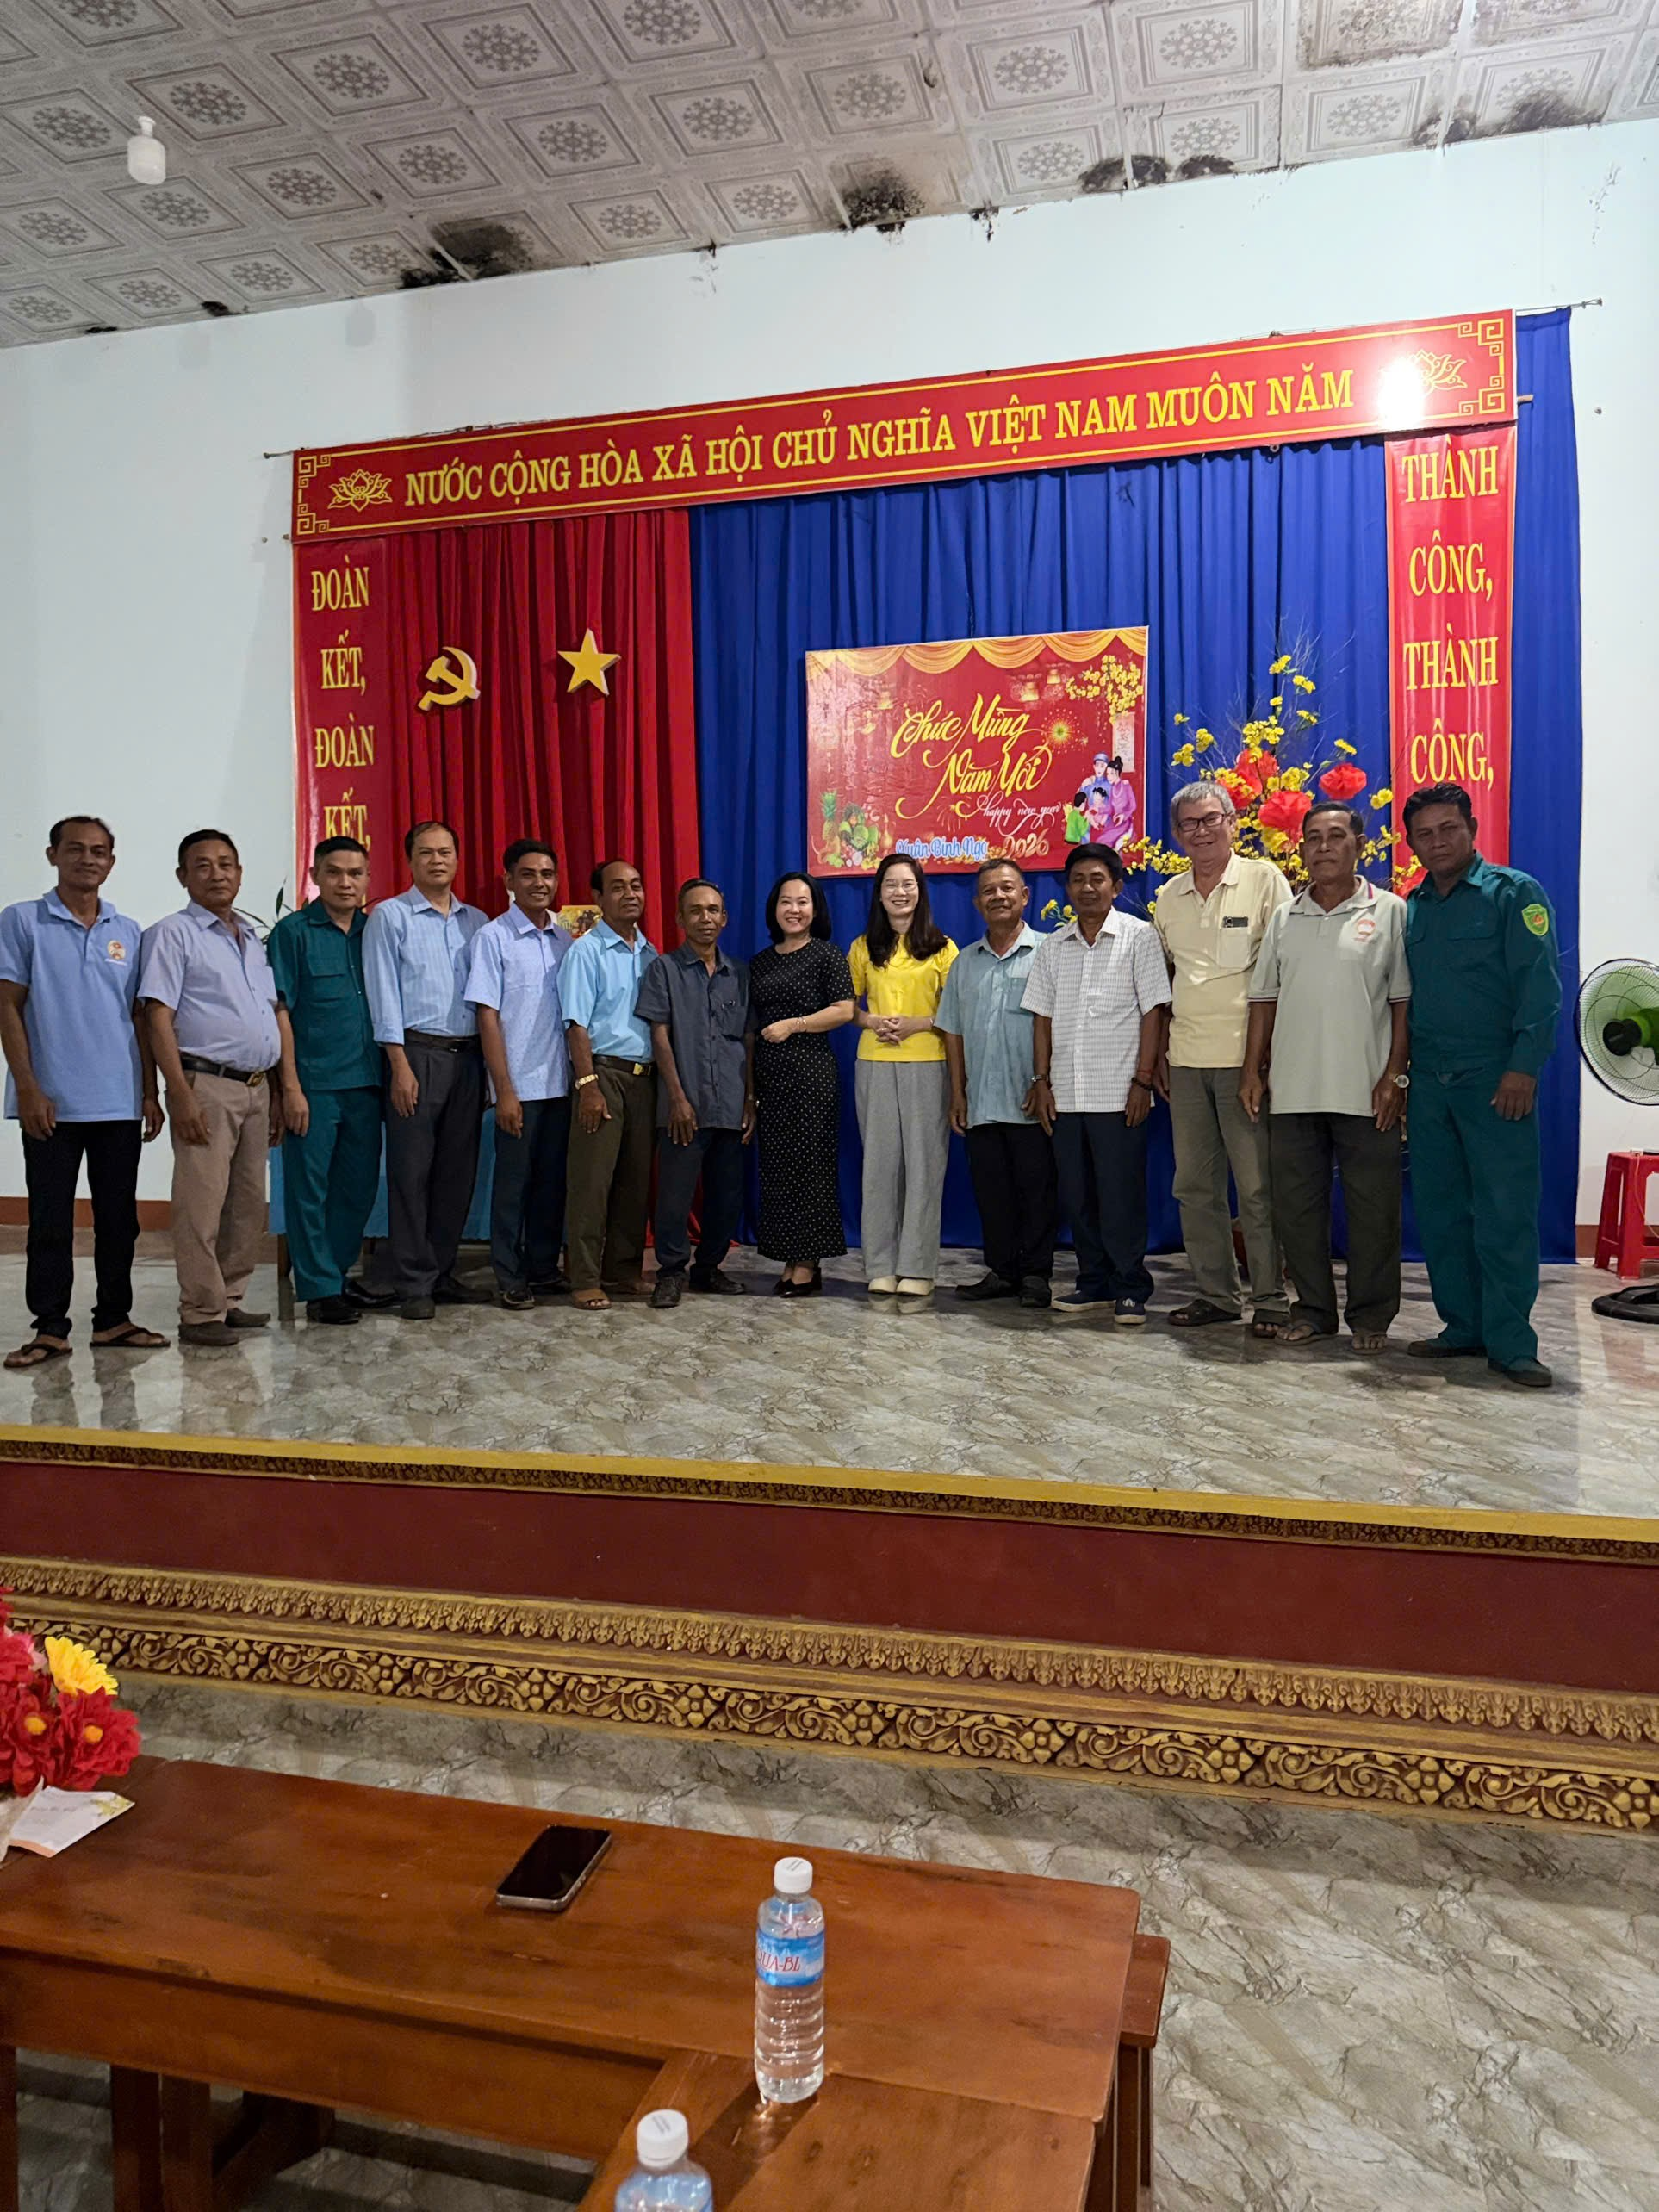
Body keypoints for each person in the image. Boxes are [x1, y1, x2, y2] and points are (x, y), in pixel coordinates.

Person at [1401, 782, 1561, 1389]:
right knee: (1441, 1211)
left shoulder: (1513, 894)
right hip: (1429, 1082)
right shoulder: (1414, 906)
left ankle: (1512, 1344)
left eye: (1448, 829)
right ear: (1412, 843)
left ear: (1471, 828)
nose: (1437, 842)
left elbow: (1540, 988)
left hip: (1495, 1079)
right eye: (1424, 834)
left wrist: (1524, 1067)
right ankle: (1462, 1326)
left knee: (1504, 1211)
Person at [1240, 803, 1411, 1355]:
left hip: (1367, 1089)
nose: (1323, 847)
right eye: (1312, 838)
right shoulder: (1285, 917)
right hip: (1293, 1090)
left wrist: (1395, 1077)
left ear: (1359, 844)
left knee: (1374, 1210)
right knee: (1297, 1210)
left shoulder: (1389, 911)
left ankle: (1372, 1316)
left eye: (1336, 836)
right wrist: (1252, 1070)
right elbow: (1263, 1000)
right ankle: (1313, 1311)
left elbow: (1403, 1003)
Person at [0, 816, 166, 1369]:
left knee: (119, 1218)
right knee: (50, 1219)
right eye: (75, 849)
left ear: (111, 863)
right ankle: (49, 1328)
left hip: (118, 1099)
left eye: (99, 852)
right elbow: (7, 1006)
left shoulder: (128, 931)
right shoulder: (22, 920)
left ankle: (114, 1319)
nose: (88, 859)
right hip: (51, 1102)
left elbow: (139, 1018)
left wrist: (149, 1091)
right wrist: (28, 1087)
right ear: (53, 855)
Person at [1153, 780, 1291, 1338]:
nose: (1202, 831)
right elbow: (1168, 979)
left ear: (1233, 822)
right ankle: (1217, 1294)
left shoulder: (1264, 881)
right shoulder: (1168, 896)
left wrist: (1263, 1062)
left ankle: (1272, 1299)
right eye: (1189, 823)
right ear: (1177, 833)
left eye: (1211, 819)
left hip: (1245, 1063)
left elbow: (1282, 974)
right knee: (1194, 1186)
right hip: (1187, 1060)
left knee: (1256, 1187)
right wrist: (1161, 1056)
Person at [139, 830, 282, 1346]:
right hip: (206, 1084)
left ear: (239, 873)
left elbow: (267, 1013)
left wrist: (277, 1090)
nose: (217, 874)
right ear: (183, 877)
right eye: (203, 865)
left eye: (226, 864)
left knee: (247, 1203)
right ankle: (200, 1312)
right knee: (201, 1203)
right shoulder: (172, 934)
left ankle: (230, 1299)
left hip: (256, 1088)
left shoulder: (250, 938)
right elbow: (157, 1015)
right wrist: (177, 1092)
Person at [1022, 842, 1171, 1324]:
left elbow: (1154, 1011)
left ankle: (1130, 1286)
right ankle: (1094, 1283)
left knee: (1120, 1194)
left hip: (1120, 1093)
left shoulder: (1139, 937)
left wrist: (1143, 1081)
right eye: (1078, 880)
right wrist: (1041, 1081)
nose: (1087, 888)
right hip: (1065, 1095)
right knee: (1077, 1195)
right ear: (1067, 888)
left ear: (1117, 886)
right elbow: (1041, 1018)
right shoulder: (1053, 946)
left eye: (1097, 879)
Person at [362, 820, 488, 1322]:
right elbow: (382, 994)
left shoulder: (477, 922)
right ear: (410, 860)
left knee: (456, 1174)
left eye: (445, 852)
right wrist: (398, 1064)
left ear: (457, 859)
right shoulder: (390, 917)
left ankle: (441, 1272)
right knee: (411, 1173)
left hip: (469, 1057)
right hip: (416, 1055)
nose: (437, 861)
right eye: (426, 853)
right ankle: (413, 1281)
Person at [268, 836, 387, 1327]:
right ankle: (319, 1289)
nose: (345, 883)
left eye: (355, 873)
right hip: (314, 1084)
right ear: (315, 876)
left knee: (357, 1188)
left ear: (367, 878)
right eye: (334, 872)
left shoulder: (375, 932)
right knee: (309, 1190)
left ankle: (335, 1277)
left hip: (368, 1083)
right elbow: (280, 1011)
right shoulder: (292, 933)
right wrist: (290, 1088)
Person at [936, 858, 1057, 1309]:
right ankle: (1003, 1271)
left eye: (1007, 888)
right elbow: (952, 1030)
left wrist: (1045, 1081)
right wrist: (957, 1092)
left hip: (1032, 1098)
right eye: (989, 891)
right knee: (992, 1192)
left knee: (1038, 1191)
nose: (998, 897)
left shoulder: (1049, 951)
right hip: (982, 1100)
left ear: (1025, 896)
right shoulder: (964, 963)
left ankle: (1036, 1275)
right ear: (977, 904)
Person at [466, 840, 575, 1311]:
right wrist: (504, 1090)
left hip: (561, 1086)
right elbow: (486, 1016)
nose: (539, 883)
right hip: (519, 1089)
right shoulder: (493, 938)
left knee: (551, 1183)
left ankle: (543, 1268)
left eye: (547, 874)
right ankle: (509, 1275)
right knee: (513, 1187)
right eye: (528, 874)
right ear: (509, 881)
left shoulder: (565, 940)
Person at [636, 879, 752, 1309]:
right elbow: (659, 1035)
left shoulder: (739, 974)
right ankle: (670, 1272)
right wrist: (677, 1098)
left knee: (727, 1194)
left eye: (713, 910)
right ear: (680, 918)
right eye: (696, 911)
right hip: (684, 1106)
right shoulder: (663, 969)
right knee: (675, 1196)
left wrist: (750, 1099)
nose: (706, 918)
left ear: (724, 918)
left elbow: (749, 1039)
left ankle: (709, 1268)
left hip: (731, 1103)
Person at [848, 854, 957, 1302]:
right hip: (874, 1061)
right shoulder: (862, 947)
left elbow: (955, 1011)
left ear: (920, 891)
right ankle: (879, 1265)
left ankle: (917, 1267)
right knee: (879, 1167)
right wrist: (872, 1021)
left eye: (907, 884)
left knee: (924, 1167)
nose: (899, 892)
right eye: (891, 885)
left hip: (928, 1062)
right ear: (879, 894)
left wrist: (919, 1023)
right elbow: (848, 1008)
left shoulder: (942, 947)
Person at [748, 873, 855, 1299]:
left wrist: (794, 1025)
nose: (794, 909)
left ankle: (809, 1262)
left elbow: (845, 1010)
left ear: (815, 909)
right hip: (770, 1079)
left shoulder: (826, 955)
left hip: (810, 1076)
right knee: (778, 1170)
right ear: (774, 908)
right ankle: (789, 1257)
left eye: (803, 902)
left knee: (810, 1167)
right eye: (786, 902)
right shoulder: (760, 961)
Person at [560, 859, 658, 1312]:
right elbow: (576, 1025)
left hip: (645, 1079)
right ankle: (583, 1277)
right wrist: (588, 1085)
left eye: (636, 885)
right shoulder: (586, 952)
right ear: (598, 899)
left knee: (634, 1183)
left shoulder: (652, 954)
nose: (630, 894)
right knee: (592, 1183)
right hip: (603, 1075)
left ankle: (622, 1270)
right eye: (617, 887)